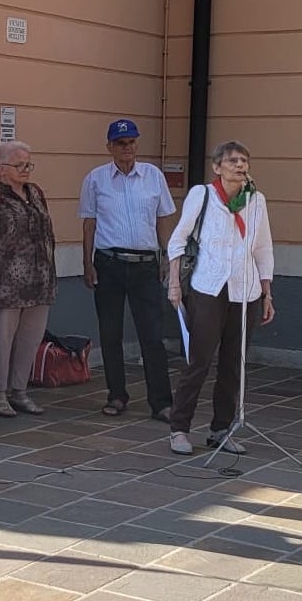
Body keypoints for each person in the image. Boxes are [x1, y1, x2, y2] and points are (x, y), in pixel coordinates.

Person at [165, 141, 274, 456]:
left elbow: (263, 249)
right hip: (209, 288)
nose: (239, 165)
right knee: (199, 361)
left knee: (233, 365)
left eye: (244, 160)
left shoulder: (256, 200)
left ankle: (221, 429)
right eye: (232, 161)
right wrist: (174, 285)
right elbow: (178, 241)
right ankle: (179, 429)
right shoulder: (203, 196)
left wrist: (266, 292)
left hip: (246, 290)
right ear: (217, 167)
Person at [80, 118, 175, 420]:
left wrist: (167, 257)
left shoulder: (153, 176)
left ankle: (161, 402)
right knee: (110, 334)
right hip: (108, 263)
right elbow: (89, 224)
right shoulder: (95, 179)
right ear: (109, 146)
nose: (128, 148)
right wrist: (87, 264)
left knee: (152, 336)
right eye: (121, 143)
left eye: (132, 142)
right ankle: (116, 394)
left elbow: (162, 219)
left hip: (145, 265)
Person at [0, 140, 57, 419]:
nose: (26, 169)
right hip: (6, 283)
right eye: (19, 164)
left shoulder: (36, 193)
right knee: (2, 340)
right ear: (1, 168)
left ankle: (20, 391)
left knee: (30, 339)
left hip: (39, 281)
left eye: (28, 163)